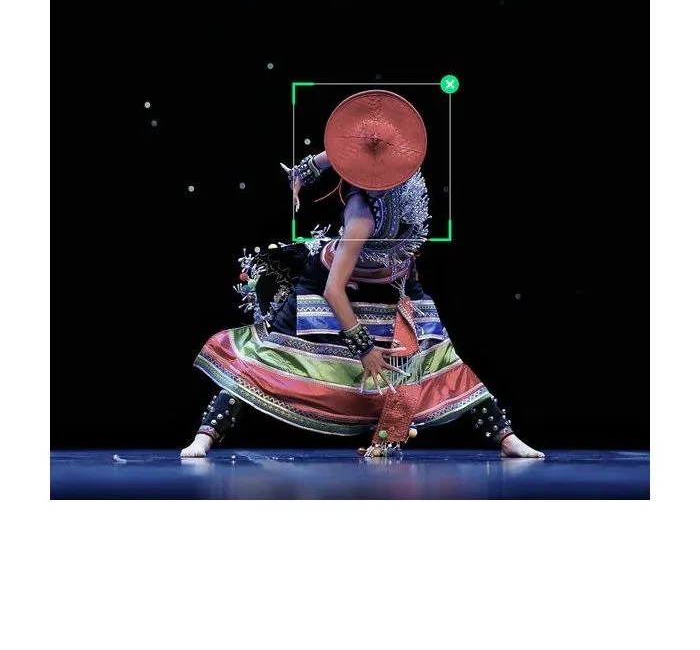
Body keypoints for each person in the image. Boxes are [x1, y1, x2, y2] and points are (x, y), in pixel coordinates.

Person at [181, 90, 543, 459]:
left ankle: (505, 437)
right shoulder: (361, 216)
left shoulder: (400, 159)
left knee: (442, 355)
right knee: (266, 355)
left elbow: (324, 159)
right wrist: (365, 349)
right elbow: (333, 290)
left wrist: (301, 175)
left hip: (397, 281)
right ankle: (206, 434)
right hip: (333, 283)